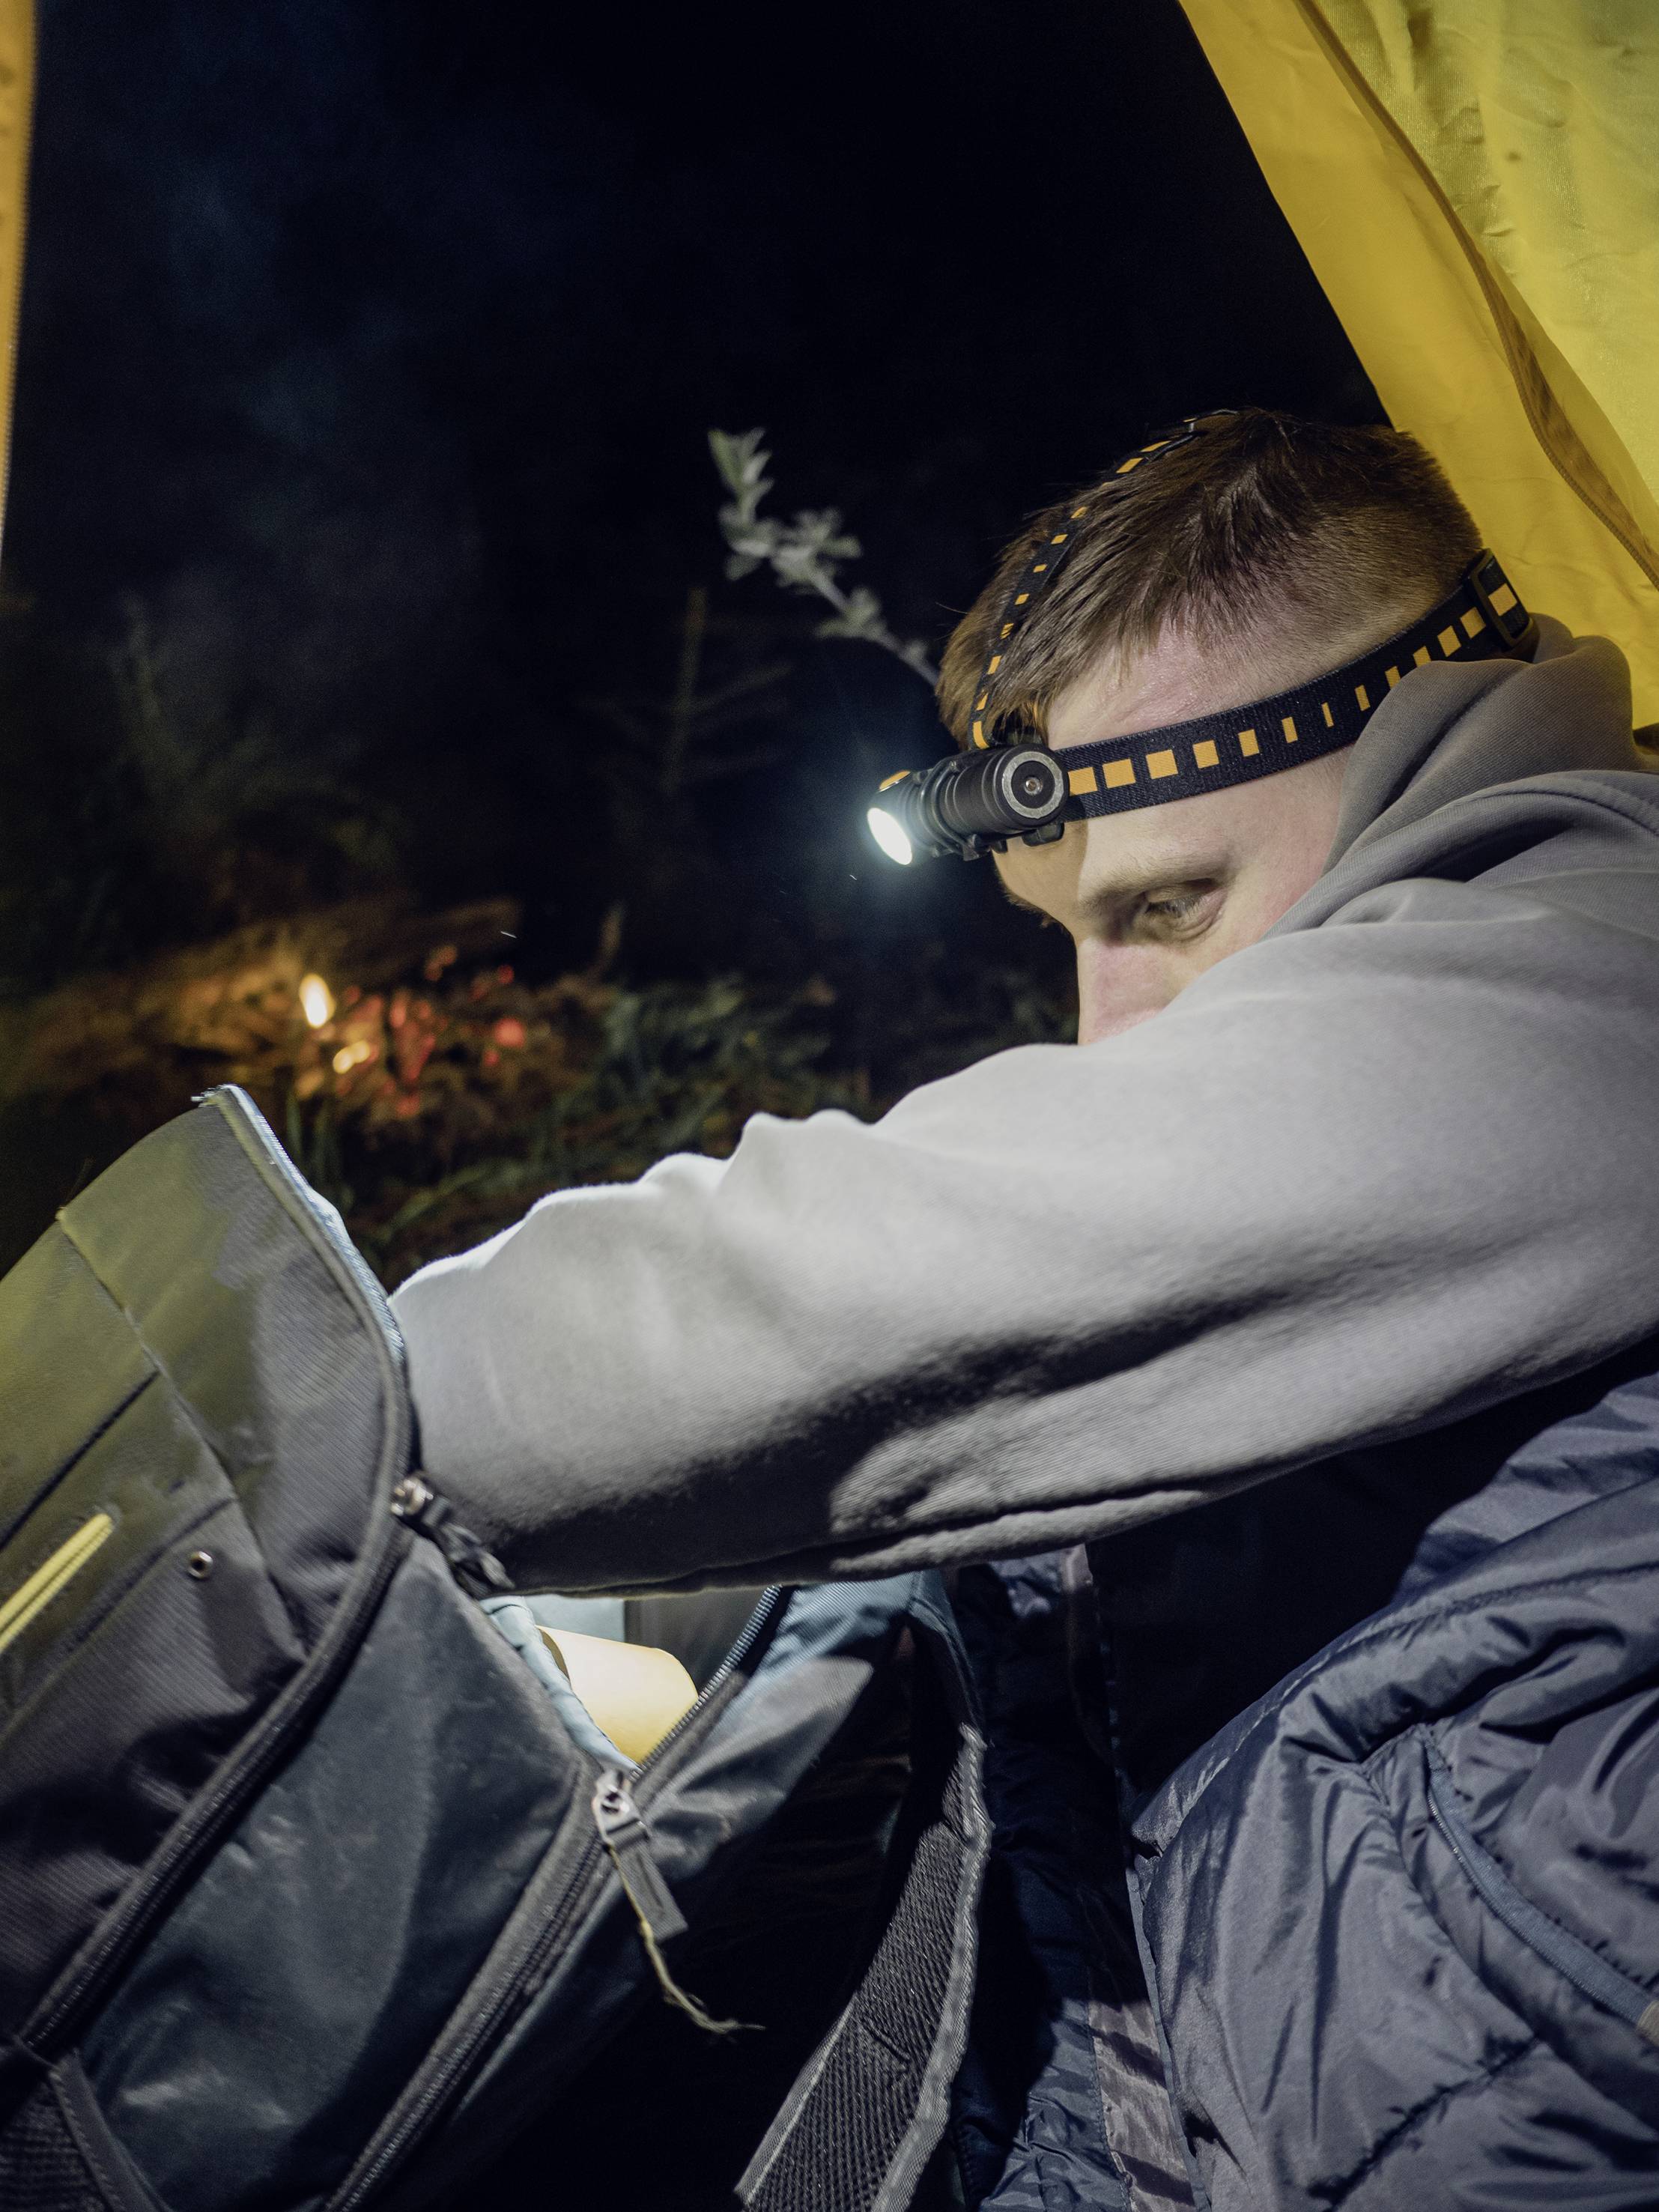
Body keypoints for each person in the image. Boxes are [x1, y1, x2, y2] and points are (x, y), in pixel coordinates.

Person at [392, 410, 1659, 2205]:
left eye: (1169, 904)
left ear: (1417, 740)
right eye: (1069, 934)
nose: (1106, 1022)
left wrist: (303, 1414)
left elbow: (822, 1292)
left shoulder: (1595, 963)